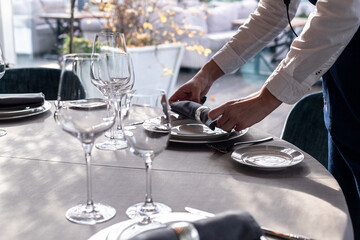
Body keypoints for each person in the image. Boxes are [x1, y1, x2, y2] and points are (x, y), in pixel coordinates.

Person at [169, 0, 360, 238]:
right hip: (342, 79)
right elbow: (274, 10)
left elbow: (340, 14)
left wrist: (265, 100)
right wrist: (207, 74)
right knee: (347, 211)